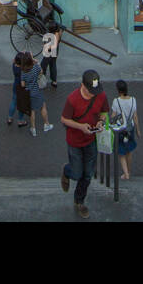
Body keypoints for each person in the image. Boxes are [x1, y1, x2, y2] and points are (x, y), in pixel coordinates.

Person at [60, 69, 110, 219]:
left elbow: (104, 112)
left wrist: (101, 122)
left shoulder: (101, 95)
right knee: (77, 173)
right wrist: (81, 127)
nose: (93, 94)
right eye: (90, 92)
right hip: (75, 142)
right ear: (82, 85)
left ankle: (79, 201)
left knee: (87, 175)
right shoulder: (72, 99)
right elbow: (64, 119)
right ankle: (66, 171)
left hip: (91, 141)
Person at [111, 81, 140, 180]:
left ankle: (126, 173)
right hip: (130, 128)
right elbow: (135, 116)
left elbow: (113, 116)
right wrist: (138, 130)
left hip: (121, 129)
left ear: (118, 90)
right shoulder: (133, 100)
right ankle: (129, 171)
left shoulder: (116, 101)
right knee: (129, 151)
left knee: (121, 151)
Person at [19, 51, 53, 134]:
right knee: (43, 107)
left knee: (32, 111)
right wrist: (36, 62)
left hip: (29, 93)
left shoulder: (23, 72)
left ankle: (33, 128)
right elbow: (41, 72)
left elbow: (22, 84)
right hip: (38, 91)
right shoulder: (35, 67)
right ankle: (46, 124)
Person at [41, 21, 62, 88]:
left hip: (49, 52)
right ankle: (54, 81)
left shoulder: (49, 36)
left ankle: (42, 81)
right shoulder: (58, 33)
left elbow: (48, 46)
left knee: (43, 66)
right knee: (53, 65)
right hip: (55, 52)